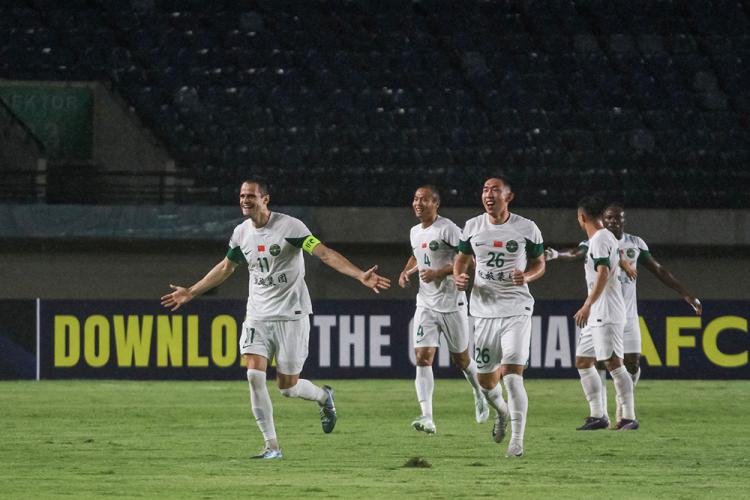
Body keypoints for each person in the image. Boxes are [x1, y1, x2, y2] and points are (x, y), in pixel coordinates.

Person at [160, 179, 391, 459]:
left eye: (251, 196)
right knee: (254, 375)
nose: (245, 200)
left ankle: (323, 397)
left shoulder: (290, 227)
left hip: (291, 316)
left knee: (288, 387)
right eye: (242, 195)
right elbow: (226, 267)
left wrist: (359, 275)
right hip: (257, 316)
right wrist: (191, 292)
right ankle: (272, 446)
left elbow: (325, 254)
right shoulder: (241, 233)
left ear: (265, 199)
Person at [546, 202, 701, 425]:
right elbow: (575, 253)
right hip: (602, 310)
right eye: (609, 218)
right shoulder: (598, 240)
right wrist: (555, 254)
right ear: (602, 219)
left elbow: (658, 269)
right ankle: (600, 414)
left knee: (629, 364)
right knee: (590, 361)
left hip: (619, 313)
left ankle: (625, 412)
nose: (613, 221)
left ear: (624, 220)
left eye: (617, 218)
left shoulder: (633, 243)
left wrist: (686, 294)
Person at [453, 176, 546, 458]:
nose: (488, 194)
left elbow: (540, 263)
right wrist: (459, 275)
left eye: (495, 190)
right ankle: (502, 412)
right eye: (485, 190)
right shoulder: (472, 226)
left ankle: (517, 441)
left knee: (513, 375)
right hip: (483, 311)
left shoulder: (527, 228)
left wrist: (527, 276)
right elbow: (461, 257)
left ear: (509, 196)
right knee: (486, 383)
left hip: (517, 308)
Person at [398, 185, 489, 435]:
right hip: (425, 303)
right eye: (415, 199)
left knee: (462, 360)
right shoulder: (415, 231)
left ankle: (479, 392)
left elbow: (469, 259)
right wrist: (406, 272)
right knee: (422, 357)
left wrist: (439, 272)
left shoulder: (447, 228)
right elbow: (417, 255)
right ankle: (427, 417)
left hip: (451, 303)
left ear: (436, 203)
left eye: (424, 200)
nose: (418, 203)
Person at [572, 195, 638, 431]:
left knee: (614, 364)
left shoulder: (599, 239)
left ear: (582, 217)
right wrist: (624, 263)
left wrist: (587, 305)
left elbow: (602, 273)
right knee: (583, 361)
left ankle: (629, 417)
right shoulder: (607, 236)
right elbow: (616, 254)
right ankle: (598, 415)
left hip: (605, 310)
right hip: (599, 313)